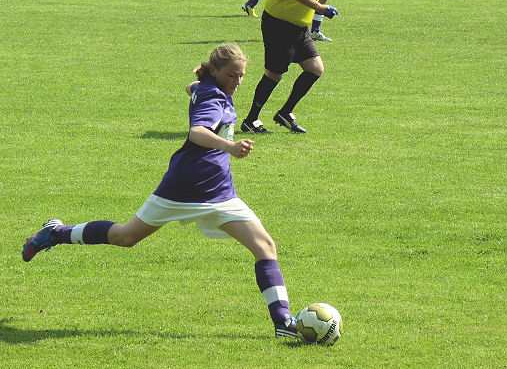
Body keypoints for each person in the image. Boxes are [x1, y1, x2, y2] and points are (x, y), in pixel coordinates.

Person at [22, 44, 301, 340]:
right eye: (232, 75)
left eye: (242, 76)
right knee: (125, 236)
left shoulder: (206, 87)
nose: (238, 82)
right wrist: (230, 146)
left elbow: (191, 86)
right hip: (183, 189)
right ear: (216, 71)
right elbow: (198, 132)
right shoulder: (213, 97)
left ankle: (283, 323)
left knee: (265, 246)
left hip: (219, 192)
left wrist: (196, 86)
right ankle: (56, 233)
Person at [241, 0, 339, 135]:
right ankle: (250, 120)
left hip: (297, 26)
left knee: (315, 68)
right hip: (279, 23)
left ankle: (285, 113)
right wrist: (321, 7)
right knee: (274, 75)